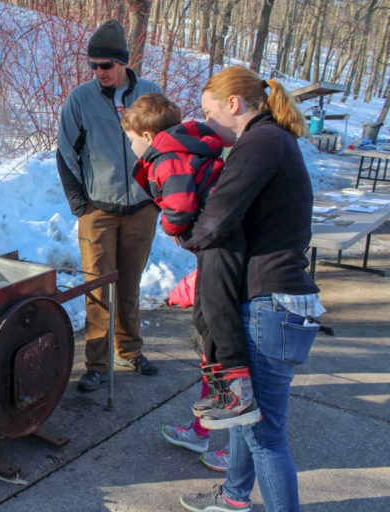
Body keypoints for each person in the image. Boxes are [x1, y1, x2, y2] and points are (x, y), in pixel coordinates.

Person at [177, 66, 325, 512]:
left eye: (209, 113)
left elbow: (216, 220)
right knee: (245, 417)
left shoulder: (260, 142)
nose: (207, 123)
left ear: (234, 104)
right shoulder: (272, 139)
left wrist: (183, 232)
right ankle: (233, 496)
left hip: (271, 305)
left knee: (264, 436)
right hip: (278, 301)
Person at [121, 92, 260, 429]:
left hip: (223, 240)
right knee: (203, 315)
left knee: (217, 312)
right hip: (217, 237)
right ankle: (220, 389)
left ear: (148, 136)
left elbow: (180, 205)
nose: (131, 147)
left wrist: (171, 227)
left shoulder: (167, 157)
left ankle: (239, 392)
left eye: (131, 139)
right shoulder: (179, 150)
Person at [56, 19, 163, 392]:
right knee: (98, 290)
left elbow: (167, 147)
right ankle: (97, 364)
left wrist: (158, 196)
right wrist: (79, 204)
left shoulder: (150, 94)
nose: (99, 71)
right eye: (93, 65)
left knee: (129, 286)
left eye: (106, 65)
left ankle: (129, 351)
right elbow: (65, 153)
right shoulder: (80, 99)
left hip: (142, 209)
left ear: (124, 62)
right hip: (97, 211)